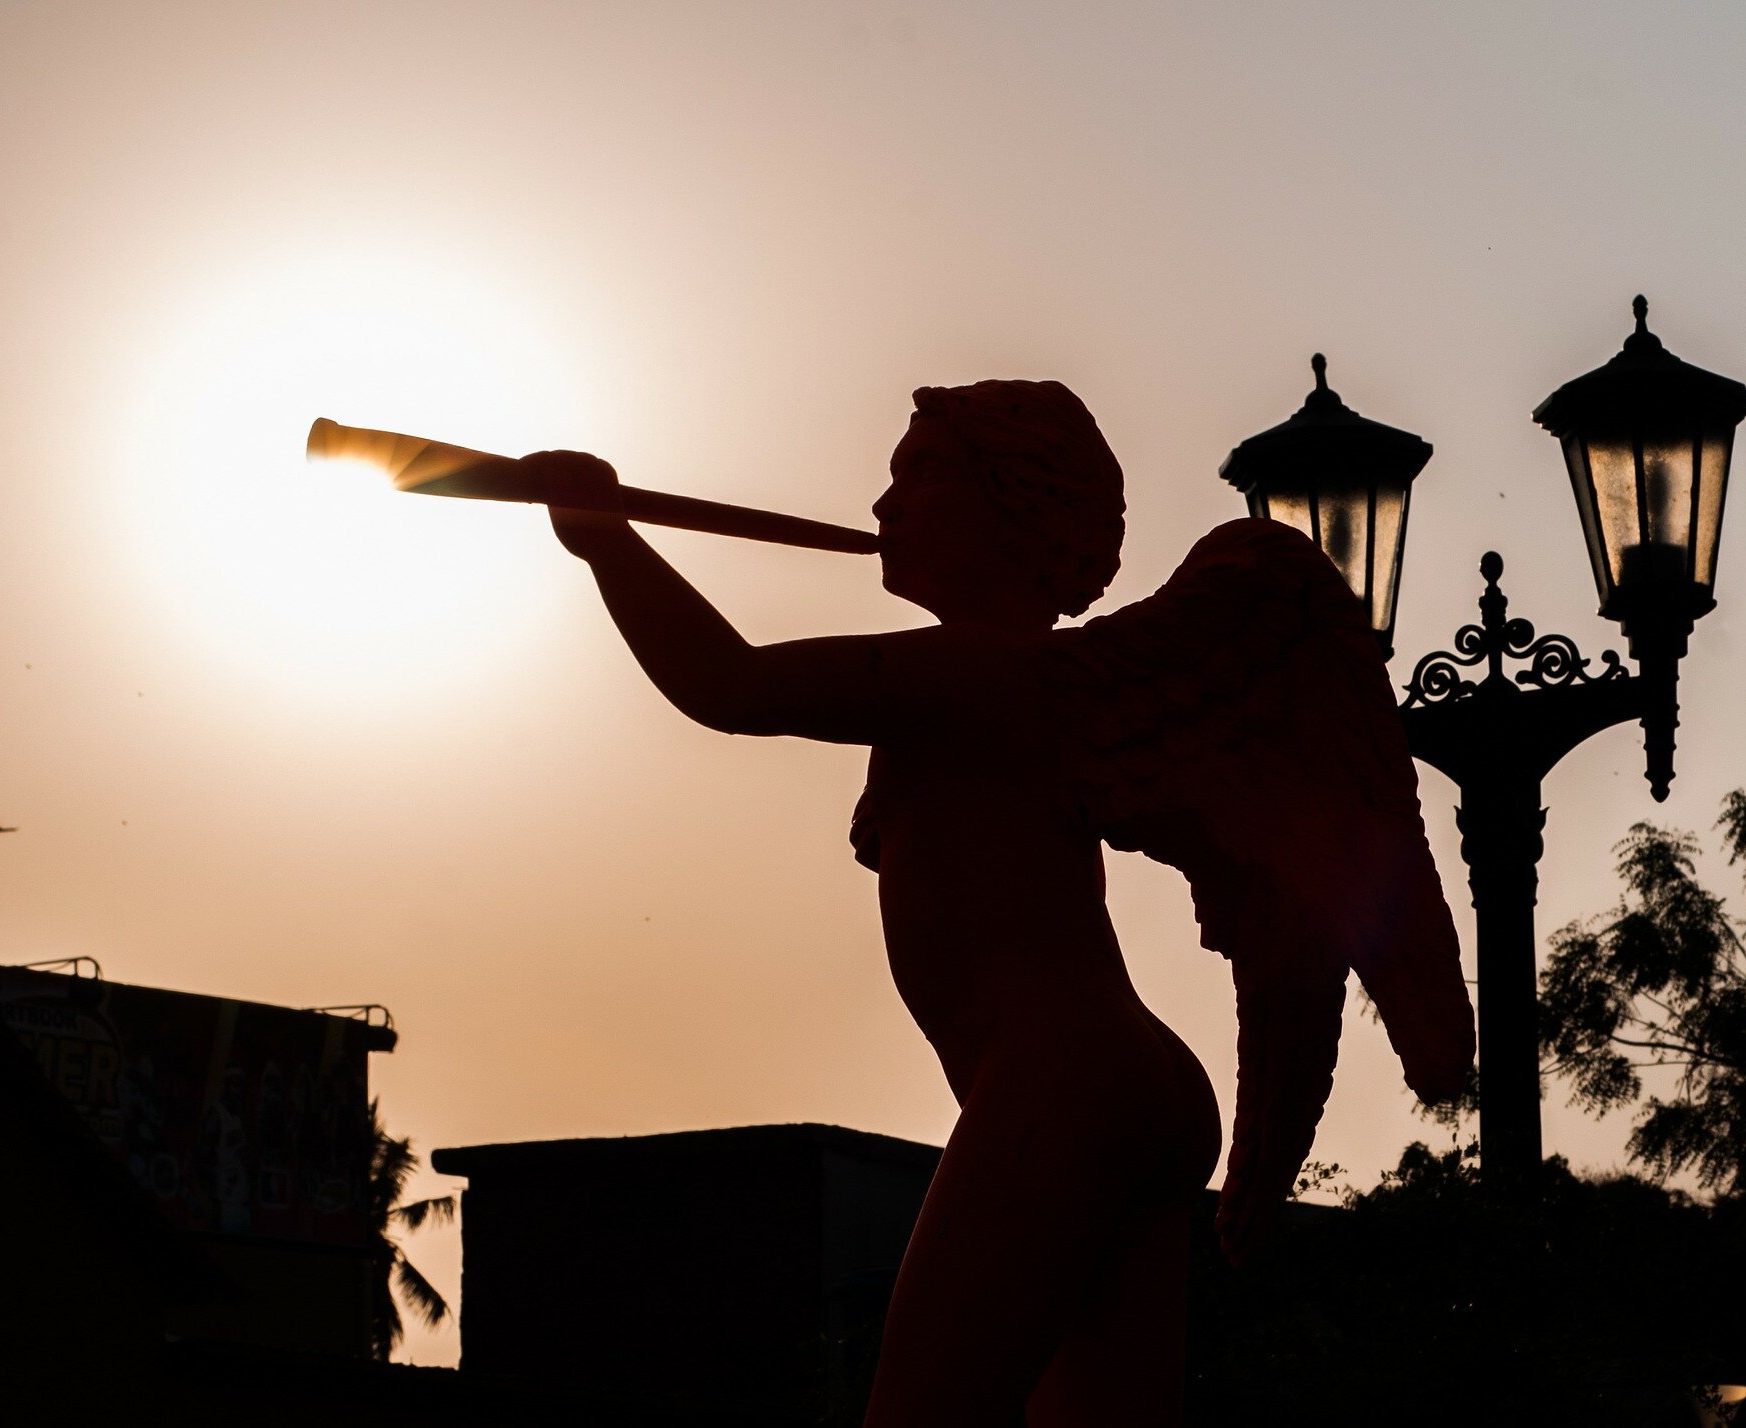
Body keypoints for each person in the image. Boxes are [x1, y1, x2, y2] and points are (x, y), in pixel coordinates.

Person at [531, 379, 1470, 1426]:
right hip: (1132, 1084)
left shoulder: (980, 672)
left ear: (1015, 505)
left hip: (1061, 1084)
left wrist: (605, 541)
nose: (885, 505)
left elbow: (730, 684)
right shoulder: (1029, 682)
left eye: (920, 476)